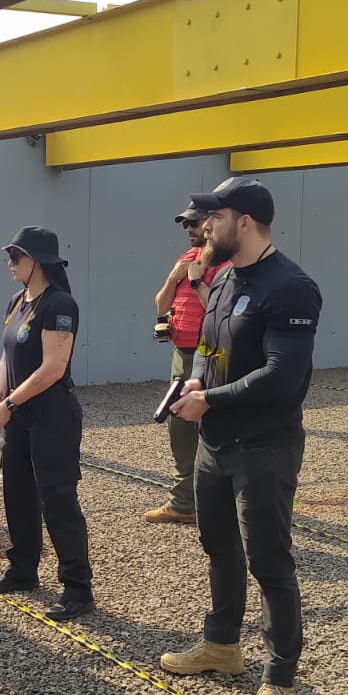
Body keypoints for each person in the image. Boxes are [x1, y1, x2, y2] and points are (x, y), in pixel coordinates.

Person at [159, 177, 322, 695]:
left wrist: (209, 399)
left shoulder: (292, 287)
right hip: (216, 443)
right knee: (218, 544)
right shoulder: (225, 278)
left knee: (270, 563)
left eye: (214, 217)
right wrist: (194, 382)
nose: (204, 227)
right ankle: (223, 645)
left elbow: (283, 375)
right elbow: (207, 343)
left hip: (264, 447)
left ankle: (280, 685)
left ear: (244, 221)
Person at [0, 227, 94, 621]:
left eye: (16, 256)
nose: (9, 263)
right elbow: (6, 357)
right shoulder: (17, 300)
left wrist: (10, 401)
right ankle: (23, 569)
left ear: (38, 261)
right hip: (19, 414)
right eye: (9, 255)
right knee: (18, 494)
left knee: (58, 500)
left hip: (51, 416)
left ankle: (77, 589)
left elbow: (53, 367)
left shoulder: (59, 304)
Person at [146, 202, 227, 524]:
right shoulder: (186, 259)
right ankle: (184, 502)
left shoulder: (226, 264)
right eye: (185, 225)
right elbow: (160, 304)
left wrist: (197, 283)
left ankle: (215, 500)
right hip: (183, 353)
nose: (189, 229)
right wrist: (173, 277)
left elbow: (222, 315)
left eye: (193, 223)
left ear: (210, 222)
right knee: (181, 425)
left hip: (213, 354)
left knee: (216, 423)